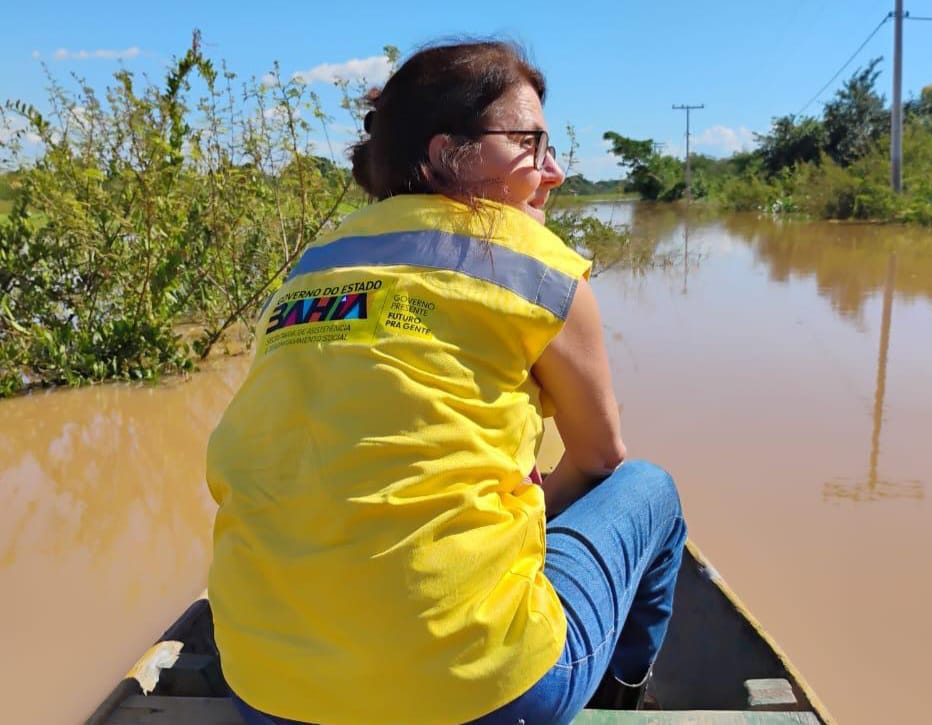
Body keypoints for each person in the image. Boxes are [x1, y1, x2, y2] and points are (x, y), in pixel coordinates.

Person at [206, 40, 687, 725]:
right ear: (446, 153)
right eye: (530, 143)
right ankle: (619, 697)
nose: (553, 171)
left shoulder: (314, 266)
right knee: (649, 489)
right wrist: (520, 506)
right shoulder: (538, 266)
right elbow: (600, 459)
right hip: (488, 693)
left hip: (267, 690)